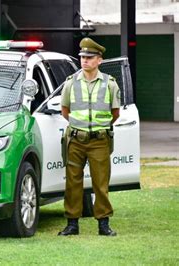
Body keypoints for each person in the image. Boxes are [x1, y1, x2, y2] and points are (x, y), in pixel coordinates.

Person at [58, 37, 121, 237]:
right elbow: (65, 111)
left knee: (100, 184)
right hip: (76, 139)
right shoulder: (70, 83)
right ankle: (72, 224)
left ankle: (103, 224)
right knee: (72, 182)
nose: (85, 60)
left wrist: (98, 127)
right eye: (83, 57)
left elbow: (115, 113)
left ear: (99, 60)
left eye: (89, 57)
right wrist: (81, 126)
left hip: (99, 140)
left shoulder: (110, 84)